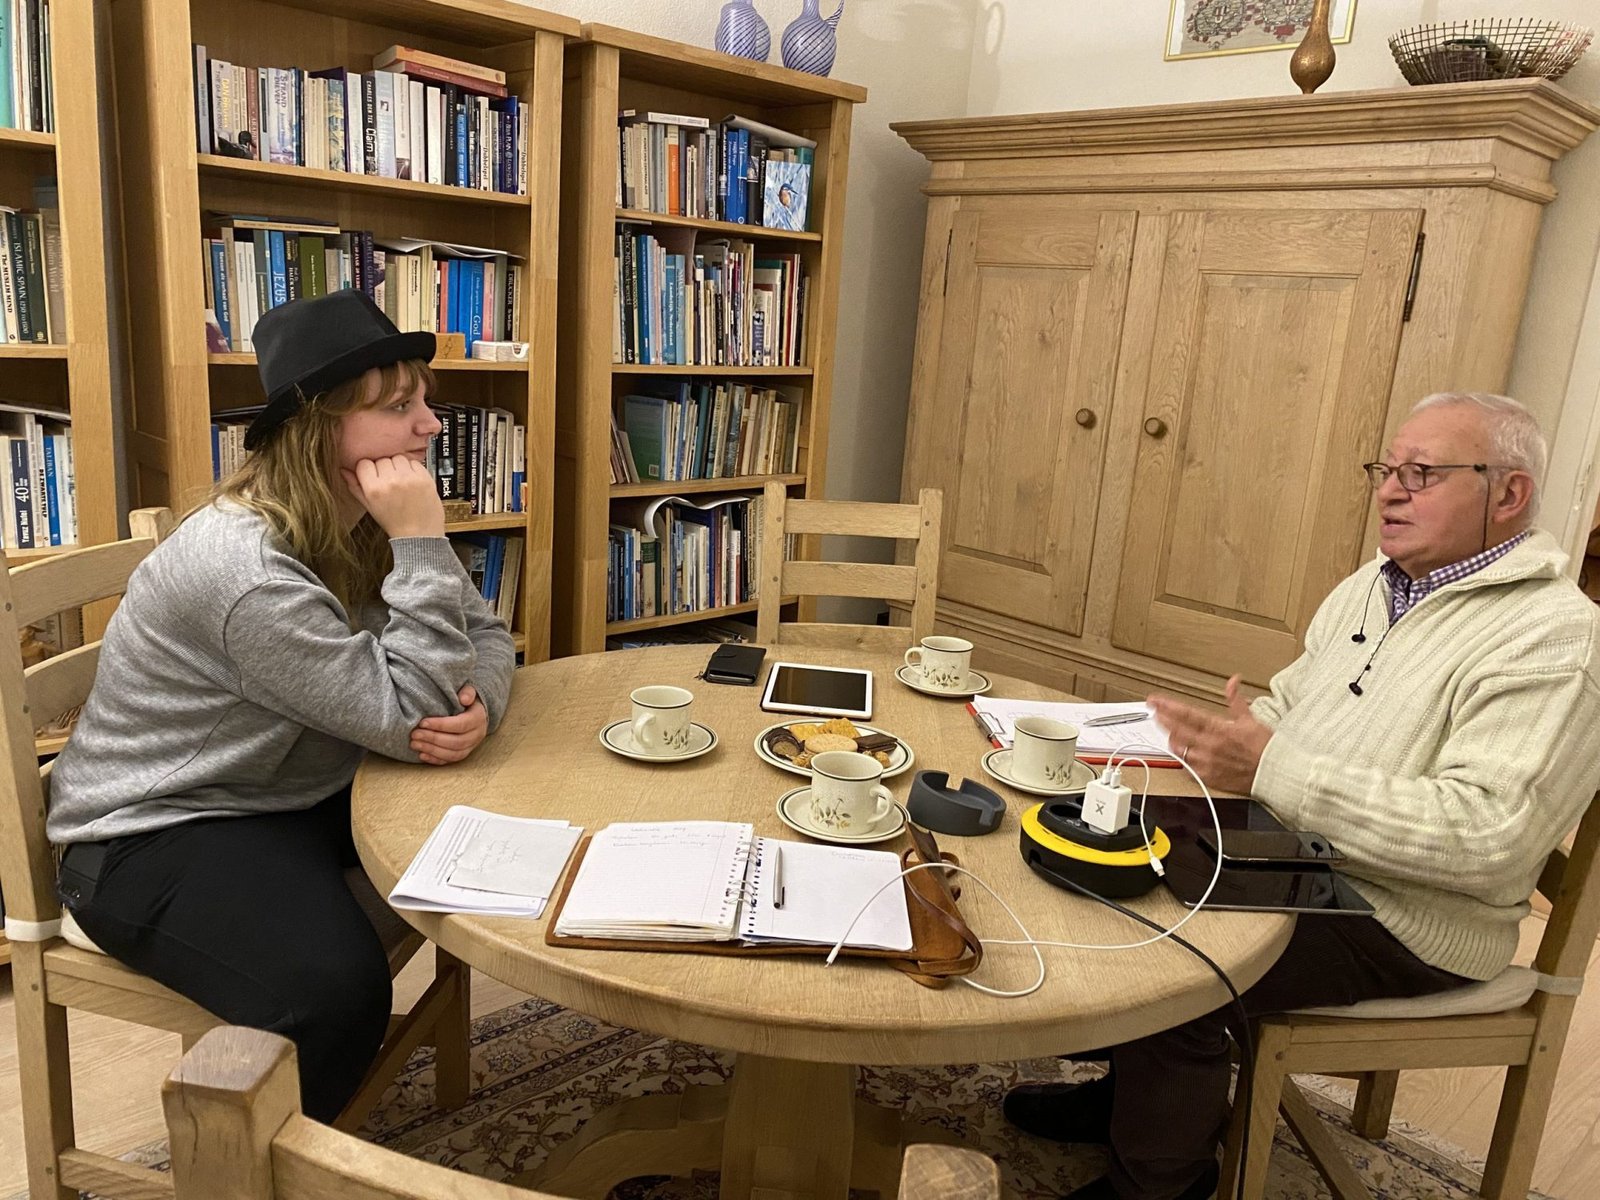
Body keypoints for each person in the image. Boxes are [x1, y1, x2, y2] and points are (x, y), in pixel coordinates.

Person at [1003, 392, 1600, 1200]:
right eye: (1386, 470)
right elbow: (1289, 706)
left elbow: (1490, 837)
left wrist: (1272, 769)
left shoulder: (1556, 639)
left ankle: (1162, 1181)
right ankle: (1131, 1101)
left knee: (1175, 960)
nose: (1389, 492)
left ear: (1509, 494)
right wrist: (1232, 742)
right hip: (1296, 852)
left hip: (1405, 918)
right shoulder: (1376, 585)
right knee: (1098, 859)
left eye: (1421, 474)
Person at [47, 289, 516, 1122]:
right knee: (334, 992)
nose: (431, 426)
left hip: (282, 786)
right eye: (398, 407)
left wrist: (478, 709)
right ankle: (259, 1164)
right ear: (317, 428)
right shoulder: (249, 574)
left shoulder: (360, 515)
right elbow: (416, 714)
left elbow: (483, 635)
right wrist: (422, 546)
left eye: (424, 401)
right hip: (150, 830)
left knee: (485, 831)